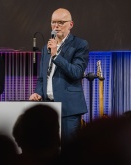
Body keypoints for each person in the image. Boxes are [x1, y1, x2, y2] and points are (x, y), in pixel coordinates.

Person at [29, 8, 89, 145]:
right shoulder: (46, 48)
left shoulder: (79, 44)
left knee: (69, 150)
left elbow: (76, 72)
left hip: (69, 108)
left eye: (61, 22)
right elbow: (42, 77)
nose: (56, 26)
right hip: (48, 107)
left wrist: (56, 55)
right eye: (53, 22)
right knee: (49, 148)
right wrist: (38, 92)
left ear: (71, 24)